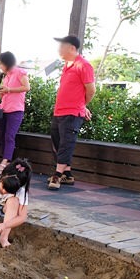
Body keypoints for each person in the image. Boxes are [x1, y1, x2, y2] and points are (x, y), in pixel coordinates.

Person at [48, 35, 96, 190]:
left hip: (72, 113)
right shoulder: (67, 66)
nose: (59, 49)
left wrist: (81, 106)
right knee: (56, 140)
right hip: (59, 111)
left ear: (72, 48)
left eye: (62, 46)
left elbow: (91, 90)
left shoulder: (84, 65)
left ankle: (57, 175)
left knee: (66, 143)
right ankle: (67, 174)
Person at [0, 51, 30, 174]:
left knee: (9, 136)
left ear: (7, 62)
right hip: (5, 108)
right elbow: (7, 91)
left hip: (16, 110)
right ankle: (5, 161)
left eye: (1, 64)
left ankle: (5, 162)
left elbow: (26, 87)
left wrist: (9, 89)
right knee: (3, 135)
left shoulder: (20, 72)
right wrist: (1, 91)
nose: (0, 67)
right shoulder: (7, 76)